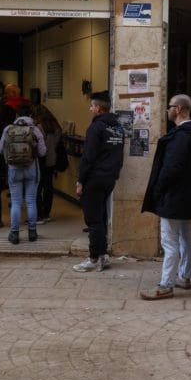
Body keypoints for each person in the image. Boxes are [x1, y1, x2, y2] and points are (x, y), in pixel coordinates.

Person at [140, 94, 191, 300]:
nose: (167, 110)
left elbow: (172, 168)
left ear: (178, 109)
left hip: (174, 197)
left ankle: (165, 285)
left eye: (169, 106)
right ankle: (185, 276)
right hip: (188, 196)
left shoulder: (181, 137)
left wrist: (158, 189)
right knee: (184, 236)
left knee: (169, 242)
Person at [73, 91, 125, 272]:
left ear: (99, 108)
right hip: (109, 178)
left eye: (92, 106)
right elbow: (119, 155)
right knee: (101, 217)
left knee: (93, 220)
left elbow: (88, 157)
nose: (90, 109)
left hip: (94, 179)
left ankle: (94, 259)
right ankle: (103, 256)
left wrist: (81, 180)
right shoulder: (118, 127)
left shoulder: (96, 128)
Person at [0, 104, 46, 244]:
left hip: (13, 170)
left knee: (16, 202)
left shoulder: (8, 129)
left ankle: (14, 234)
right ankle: (32, 232)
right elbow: (43, 152)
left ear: (17, 116)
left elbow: (0, 150)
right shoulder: (35, 130)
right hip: (32, 169)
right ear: (30, 116)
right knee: (31, 201)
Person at [32, 104, 63, 225]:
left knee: (37, 188)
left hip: (40, 161)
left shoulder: (39, 127)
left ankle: (39, 214)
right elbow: (55, 145)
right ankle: (46, 213)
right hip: (52, 160)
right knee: (48, 187)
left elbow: (38, 147)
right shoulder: (56, 127)